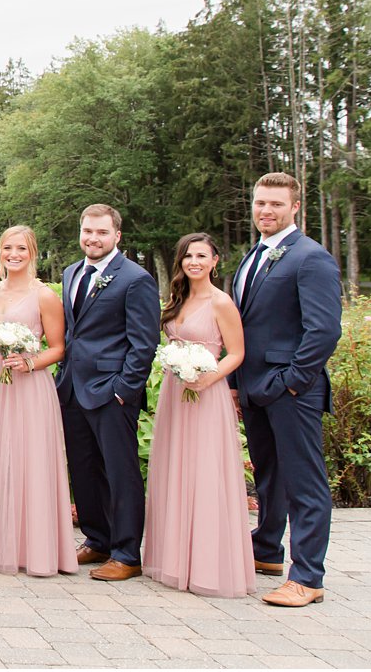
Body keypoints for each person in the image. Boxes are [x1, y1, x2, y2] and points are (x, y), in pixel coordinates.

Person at [233, 172, 342, 607]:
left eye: (276, 204)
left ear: (295, 207)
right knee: (269, 476)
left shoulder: (310, 258)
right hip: (256, 389)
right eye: (260, 203)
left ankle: (309, 577)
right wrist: (242, 387)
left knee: (304, 483)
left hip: (292, 391)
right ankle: (267, 551)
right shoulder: (253, 256)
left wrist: (291, 382)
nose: (266, 210)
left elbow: (323, 331)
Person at [143, 233, 253, 598]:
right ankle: (174, 560)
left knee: (204, 474)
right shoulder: (177, 299)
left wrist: (208, 379)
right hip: (176, 393)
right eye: (188, 255)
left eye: (202, 256)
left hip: (206, 394)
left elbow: (236, 353)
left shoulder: (221, 303)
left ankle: (207, 564)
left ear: (215, 261)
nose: (194, 262)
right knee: (176, 470)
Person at [55, 203, 161, 582]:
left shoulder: (135, 279)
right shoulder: (71, 273)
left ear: (117, 235)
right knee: (83, 471)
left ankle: (127, 553)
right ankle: (97, 539)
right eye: (88, 231)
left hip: (111, 390)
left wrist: (124, 389)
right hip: (73, 389)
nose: (93, 238)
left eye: (101, 232)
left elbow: (144, 343)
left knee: (120, 473)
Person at [0, 225, 77, 577]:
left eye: (20, 248)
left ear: (32, 252)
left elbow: (59, 348)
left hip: (30, 385)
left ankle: (36, 547)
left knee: (29, 458)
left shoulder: (45, 296)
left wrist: (29, 362)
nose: (13, 254)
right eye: (7, 248)